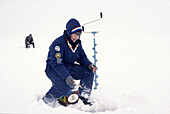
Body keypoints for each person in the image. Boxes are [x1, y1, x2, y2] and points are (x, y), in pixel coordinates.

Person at [42, 18, 97, 106]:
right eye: (74, 35)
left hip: (68, 67)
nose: (76, 38)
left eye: (78, 35)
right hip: (53, 69)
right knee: (63, 87)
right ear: (69, 33)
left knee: (88, 72)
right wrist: (67, 76)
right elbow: (57, 64)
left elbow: (82, 57)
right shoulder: (58, 44)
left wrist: (89, 65)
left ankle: (84, 97)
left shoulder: (77, 44)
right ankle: (46, 101)